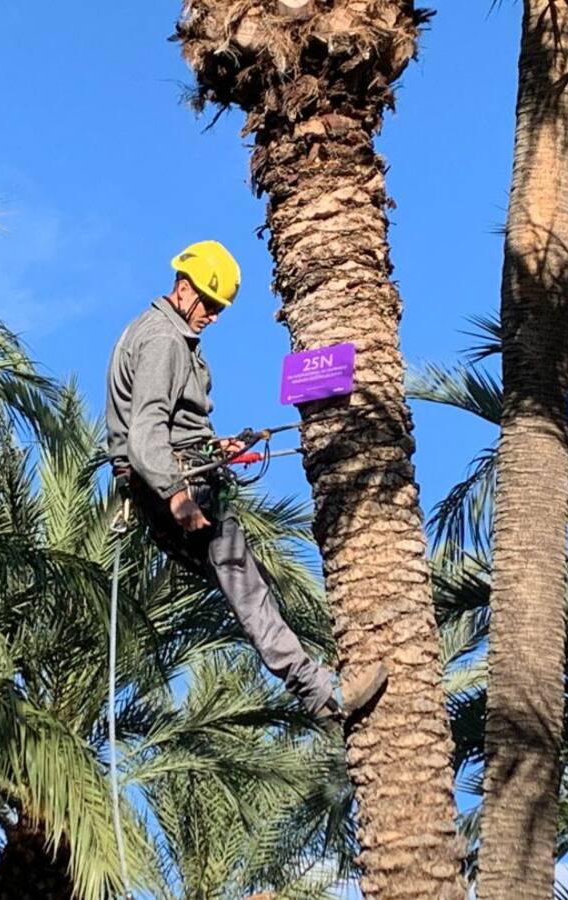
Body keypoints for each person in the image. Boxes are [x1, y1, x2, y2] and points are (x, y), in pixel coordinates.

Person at [106, 240, 386, 723]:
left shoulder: (158, 334)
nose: (213, 316)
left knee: (253, 586)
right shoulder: (163, 341)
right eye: (209, 304)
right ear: (183, 287)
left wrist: (216, 450)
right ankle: (322, 694)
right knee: (248, 589)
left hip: (177, 476)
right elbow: (146, 431)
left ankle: (315, 676)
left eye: (220, 308)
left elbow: (165, 426)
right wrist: (177, 496)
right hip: (176, 486)